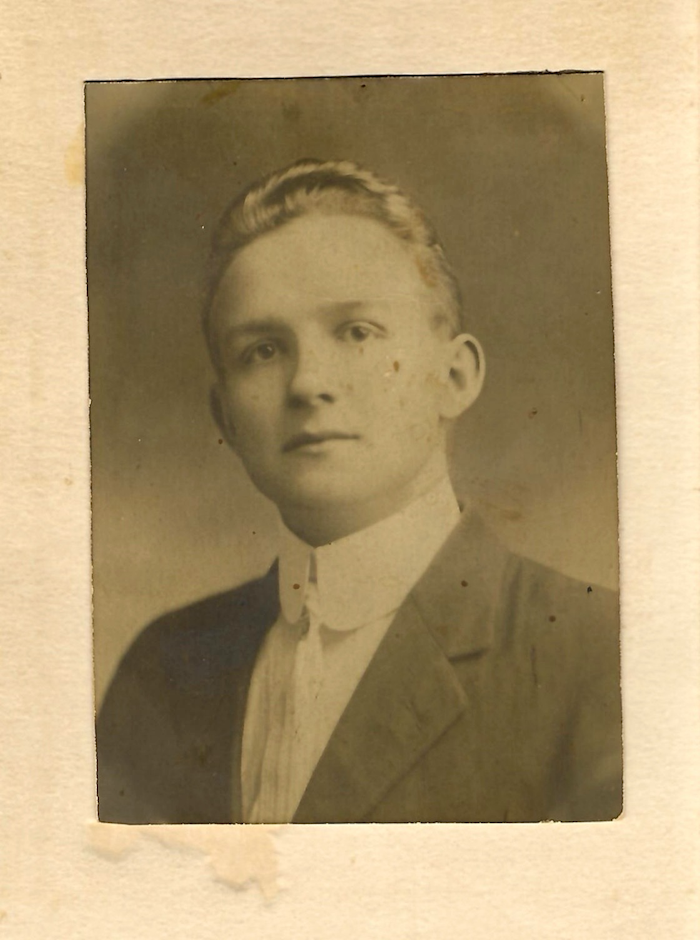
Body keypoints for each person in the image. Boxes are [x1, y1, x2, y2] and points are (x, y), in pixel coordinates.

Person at [96, 158, 622, 824]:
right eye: (262, 349)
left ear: (453, 377)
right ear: (225, 417)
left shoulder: (599, 653)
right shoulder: (162, 668)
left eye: (355, 332)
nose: (308, 382)